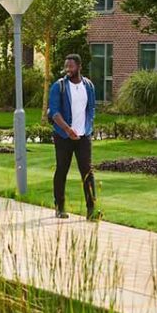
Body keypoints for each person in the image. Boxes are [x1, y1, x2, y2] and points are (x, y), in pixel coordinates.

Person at [47, 54, 99, 220]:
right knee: (62, 169)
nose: (68, 69)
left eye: (71, 66)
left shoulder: (88, 86)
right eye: (66, 66)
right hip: (63, 136)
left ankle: (91, 210)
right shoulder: (59, 86)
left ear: (79, 67)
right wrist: (68, 129)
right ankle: (59, 207)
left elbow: (91, 108)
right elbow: (54, 112)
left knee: (87, 172)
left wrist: (87, 127)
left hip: (83, 137)